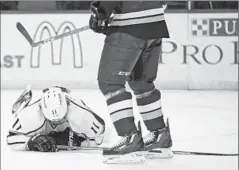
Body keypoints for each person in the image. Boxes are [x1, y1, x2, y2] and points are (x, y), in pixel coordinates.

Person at [89, 1, 173, 163]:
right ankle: (159, 137)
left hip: (130, 27)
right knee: (141, 82)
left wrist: (99, 14)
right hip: (155, 25)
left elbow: (102, 9)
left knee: (110, 82)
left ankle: (130, 138)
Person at [7, 86, 105, 152]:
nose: (56, 124)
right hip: (33, 111)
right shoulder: (31, 115)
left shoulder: (80, 115)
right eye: (51, 121)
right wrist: (32, 142)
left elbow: (98, 138)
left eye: (61, 119)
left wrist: (78, 142)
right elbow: (11, 139)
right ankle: (23, 102)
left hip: (77, 109)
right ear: (42, 111)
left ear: (67, 110)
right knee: (17, 113)